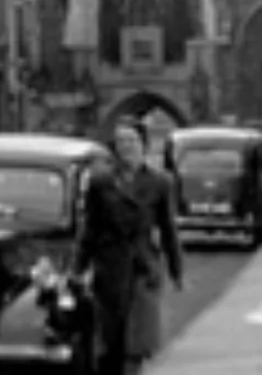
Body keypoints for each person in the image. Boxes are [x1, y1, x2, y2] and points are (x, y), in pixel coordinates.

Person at [76, 118, 184, 375]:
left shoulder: (160, 182)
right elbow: (90, 228)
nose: (126, 146)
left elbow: (168, 229)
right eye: (121, 141)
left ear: (143, 144)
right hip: (109, 269)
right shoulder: (100, 182)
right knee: (110, 345)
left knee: (135, 344)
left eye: (131, 140)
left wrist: (176, 270)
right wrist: (78, 266)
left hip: (142, 268)